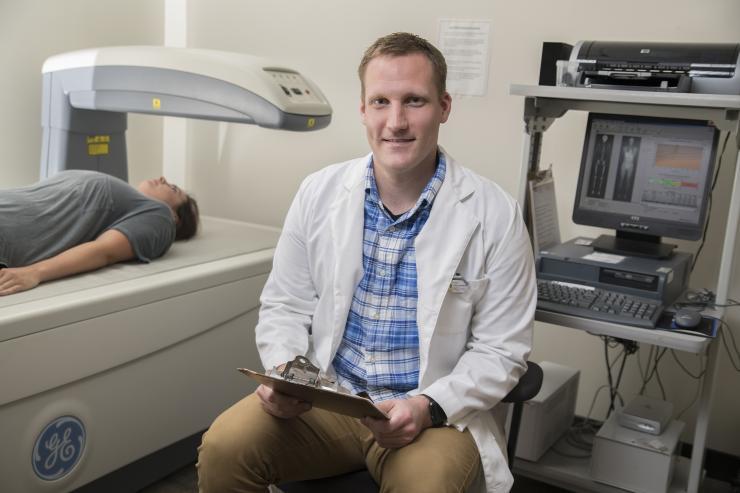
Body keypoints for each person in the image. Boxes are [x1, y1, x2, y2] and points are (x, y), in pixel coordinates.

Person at [197, 32, 536, 493]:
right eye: (380, 101)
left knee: (428, 485)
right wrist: (287, 374)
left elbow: (502, 350)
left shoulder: (494, 214)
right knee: (224, 448)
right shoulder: (319, 193)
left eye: (414, 101)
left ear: (444, 107)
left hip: (431, 415)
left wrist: (426, 407)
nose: (395, 121)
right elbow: (286, 305)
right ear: (363, 110)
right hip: (331, 399)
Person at [0, 169, 199, 296]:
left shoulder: (161, 217)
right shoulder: (128, 199)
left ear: (176, 218)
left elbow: (103, 251)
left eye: (173, 188)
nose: (163, 178)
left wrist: (35, 272)